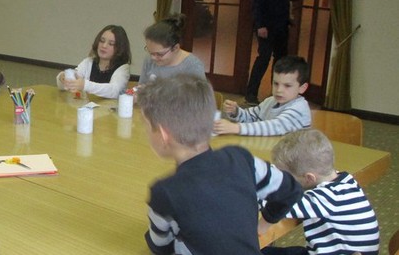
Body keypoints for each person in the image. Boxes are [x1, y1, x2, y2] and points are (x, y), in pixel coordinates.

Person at [138, 74, 302, 254]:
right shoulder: (242, 159)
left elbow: (160, 247)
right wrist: (262, 226)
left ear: (163, 135)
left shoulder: (164, 193)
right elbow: (291, 190)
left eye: (147, 127)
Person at [260, 129, 379, 255]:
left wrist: (249, 190)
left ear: (309, 178)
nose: (282, 179)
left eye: (285, 177)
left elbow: (280, 204)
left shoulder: (325, 198)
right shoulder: (344, 181)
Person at [214, 56, 310, 136]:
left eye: (287, 86)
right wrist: (236, 112)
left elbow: (274, 127)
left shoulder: (299, 109)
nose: (279, 90)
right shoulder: (270, 101)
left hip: (288, 158)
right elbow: (251, 117)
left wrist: (236, 128)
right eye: (276, 83)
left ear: (302, 88)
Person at [245, 0, 291, 105]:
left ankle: (276, 93)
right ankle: (251, 93)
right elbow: (257, 3)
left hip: (281, 27)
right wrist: (260, 25)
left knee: (280, 60)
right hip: (266, 26)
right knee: (263, 58)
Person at [56, 25, 131, 99]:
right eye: (102, 41)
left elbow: (114, 91)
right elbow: (68, 85)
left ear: (120, 48)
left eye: (111, 44)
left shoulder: (123, 68)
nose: (104, 46)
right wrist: (62, 77)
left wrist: (85, 85)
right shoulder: (88, 62)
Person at [137, 14, 205, 86]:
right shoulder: (149, 60)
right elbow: (141, 87)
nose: (153, 57)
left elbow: (199, 96)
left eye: (159, 54)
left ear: (175, 48)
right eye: (151, 52)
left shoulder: (193, 66)